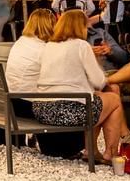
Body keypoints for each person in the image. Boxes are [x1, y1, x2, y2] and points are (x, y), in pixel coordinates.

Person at [34, 10, 124, 160]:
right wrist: (96, 61)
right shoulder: (81, 46)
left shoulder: (49, 46)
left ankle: (93, 151)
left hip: (43, 109)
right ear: (80, 26)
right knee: (113, 100)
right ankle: (111, 153)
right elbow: (99, 81)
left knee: (97, 100)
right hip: (70, 109)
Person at [4, 8, 56, 93]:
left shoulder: (21, 41)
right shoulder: (42, 49)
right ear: (50, 26)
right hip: (29, 100)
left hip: (13, 94)